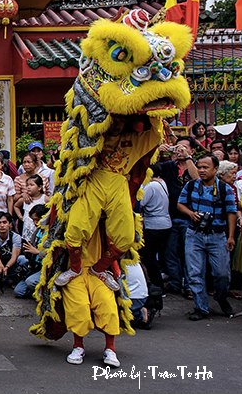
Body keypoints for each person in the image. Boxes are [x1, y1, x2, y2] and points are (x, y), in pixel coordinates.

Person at [53, 115, 163, 292]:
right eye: (114, 122)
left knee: (126, 237)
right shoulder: (93, 138)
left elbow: (156, 136)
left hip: (119, 185)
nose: (117, 126)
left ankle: (100, 269)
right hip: (93, 183)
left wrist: (156, 115)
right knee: (74, 230)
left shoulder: (135, 140)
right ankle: (74, 268)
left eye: (120, 122)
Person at [176, 155, 238, 320]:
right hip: (194, 234)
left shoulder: (226, 189)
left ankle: (221, 297)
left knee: (222, 274)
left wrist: (231, 236)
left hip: (217, 236)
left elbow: (231, 213)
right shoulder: (190, 186)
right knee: (194, 273)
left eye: (206, 167)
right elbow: (180, 204)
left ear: (215, 170)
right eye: (199, 167)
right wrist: (190, 213)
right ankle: (201, 307)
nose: (201, 171)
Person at [160, 136, 199, 297]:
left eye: (184, 147)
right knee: (171, 253)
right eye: (178, 147)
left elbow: (197, 180)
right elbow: (150, 170)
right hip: (170, 215)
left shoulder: (198, 166)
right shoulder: (169, 166)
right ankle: (175, 283)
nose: (180, 150)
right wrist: (158, 152)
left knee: (189, 254)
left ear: (192, 150)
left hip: (190, 217)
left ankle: (190, 286)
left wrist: (188, 158)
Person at [139, 162, 171, 291]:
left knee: (149, 257)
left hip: (154, 225)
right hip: (165, 223)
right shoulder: (162, 182)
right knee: (155, 255)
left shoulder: (151, 186)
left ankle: (157, 285)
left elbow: (140, 202)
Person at [216, 160, 242, 300]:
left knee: (232, 258)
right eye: (231, 173)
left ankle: (230, 287)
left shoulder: (233, 187)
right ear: (222, 174)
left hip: (233, 226)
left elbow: (236, 206)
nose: (235, 176)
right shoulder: (218, 187)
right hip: (222, 226)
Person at [0, 211, 29, 290]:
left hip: (10, 260)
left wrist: (7, 266)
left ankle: (13, 278)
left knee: (23, 259)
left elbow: (15, 255)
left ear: (10, 224)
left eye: (5, 222)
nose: (2, 225)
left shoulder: (16, 237)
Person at [14, 204, 49, 299]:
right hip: (34, 265)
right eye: (33, 220)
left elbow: (53, 254)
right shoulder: (37, 231)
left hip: (45, 268)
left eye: (37, 219)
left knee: (30, 282)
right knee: (19, 291)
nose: (35, 222)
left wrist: (37, 252)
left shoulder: (50, 233)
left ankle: (44, 293)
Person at [15, 174, 48, 243]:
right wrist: (21, 217)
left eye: (31, 185)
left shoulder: (45, 199)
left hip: (39, 231)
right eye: (27, 185)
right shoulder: (25, 199)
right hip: (27, 229)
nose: (28, 187)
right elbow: (16, 206)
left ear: (40, 187)